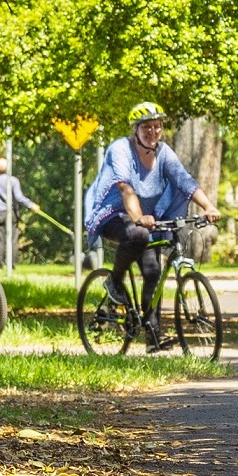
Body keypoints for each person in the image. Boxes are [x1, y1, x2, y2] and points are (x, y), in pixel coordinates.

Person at [82, 104, 214, 343]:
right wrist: (138, 217)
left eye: (157, 126)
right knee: (138, 235)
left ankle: (154, 337)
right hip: (112, 213)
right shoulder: (120, 149)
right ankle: (114, 280)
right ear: (135, 129)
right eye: (146, 127)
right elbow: (125, 187)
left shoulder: (163, 152)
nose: (153, 132)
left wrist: (208, 206)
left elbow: (184, 180)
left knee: (153, 271)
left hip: (146, 218)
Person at [0, 143, 39, 271]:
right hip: (11, 212)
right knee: (12, 239)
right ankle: (12, 264)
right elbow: (18, 197)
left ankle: (0, 264)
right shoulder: (13, 181)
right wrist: (31, 205)